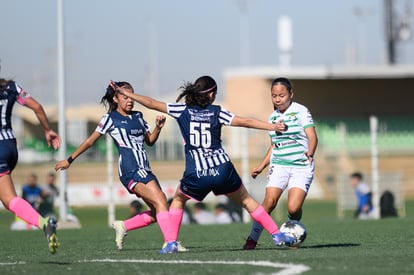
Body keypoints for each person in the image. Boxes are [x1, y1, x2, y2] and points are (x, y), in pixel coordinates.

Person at [111, 75, 295, 248]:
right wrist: (272, 126)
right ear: (211, 94)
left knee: (178, 200)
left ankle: (171, 243)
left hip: (197, 173)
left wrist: (127, 93)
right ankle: (276, 234)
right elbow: (245, 121)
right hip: (222, 169)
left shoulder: (182, 110)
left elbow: (152, 104)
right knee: (248, 201)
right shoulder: (217, 112)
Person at [54, 81, 178, 254]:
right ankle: (171, 242)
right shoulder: (110, 118)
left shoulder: (138, 116)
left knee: (159, 210)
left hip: (145, 168)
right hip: (130, 169)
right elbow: (90, 141)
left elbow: (149, 141)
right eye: (125, 97)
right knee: (161, 201)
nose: (130, 100)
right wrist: (69, 159)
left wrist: (157, 128)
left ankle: (124, 225)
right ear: (116, 98)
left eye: (131, 96)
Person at [243, 77, 318, 250]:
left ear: (291, 94)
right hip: (280, 165)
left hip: (301, 165)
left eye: (282, 95)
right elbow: (274, 146)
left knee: (293, 208)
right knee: (268, 202)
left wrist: (311, 151)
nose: (277, 99)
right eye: (274, 95)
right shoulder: (273, 116)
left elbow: (312, 136)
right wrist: (261, 166)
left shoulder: (301, 111)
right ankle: (252, 239)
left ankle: (294, 229)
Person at [0, 76, 60, 254]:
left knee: (9, 199)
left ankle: (44, 223)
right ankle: (44, 224)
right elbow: (37, 107)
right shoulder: (11, 87)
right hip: (11, 146)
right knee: (7, 201)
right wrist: (47, 130)